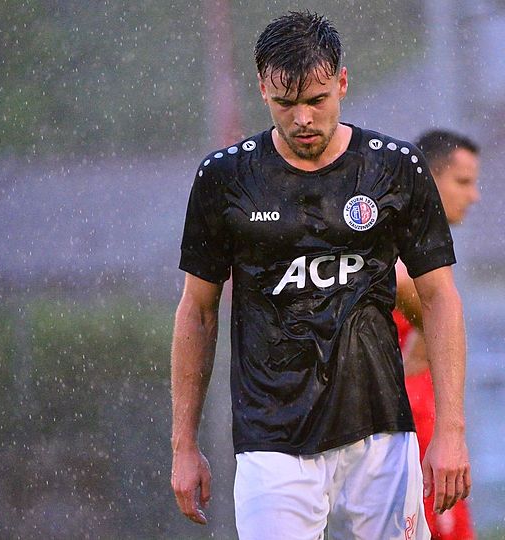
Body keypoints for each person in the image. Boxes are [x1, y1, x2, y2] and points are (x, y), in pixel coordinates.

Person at [170, 11, 470, 540]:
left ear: (343, 83)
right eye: (286, 103)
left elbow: (440, 297)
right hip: (271, 438)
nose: (303, 118)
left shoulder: (395, 168)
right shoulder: (225, 179)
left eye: (317, 99)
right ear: (263, 89)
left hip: (380, 430)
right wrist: (183, 445)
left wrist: (450, 430)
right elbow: (197, 311)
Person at [393, 130, 479, 540]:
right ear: (428, 179)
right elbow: (394, 277)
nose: (474, 195)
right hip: (407, 422)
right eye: (463, 182)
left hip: (426, 415)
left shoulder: (429, 247)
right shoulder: (398, 240)